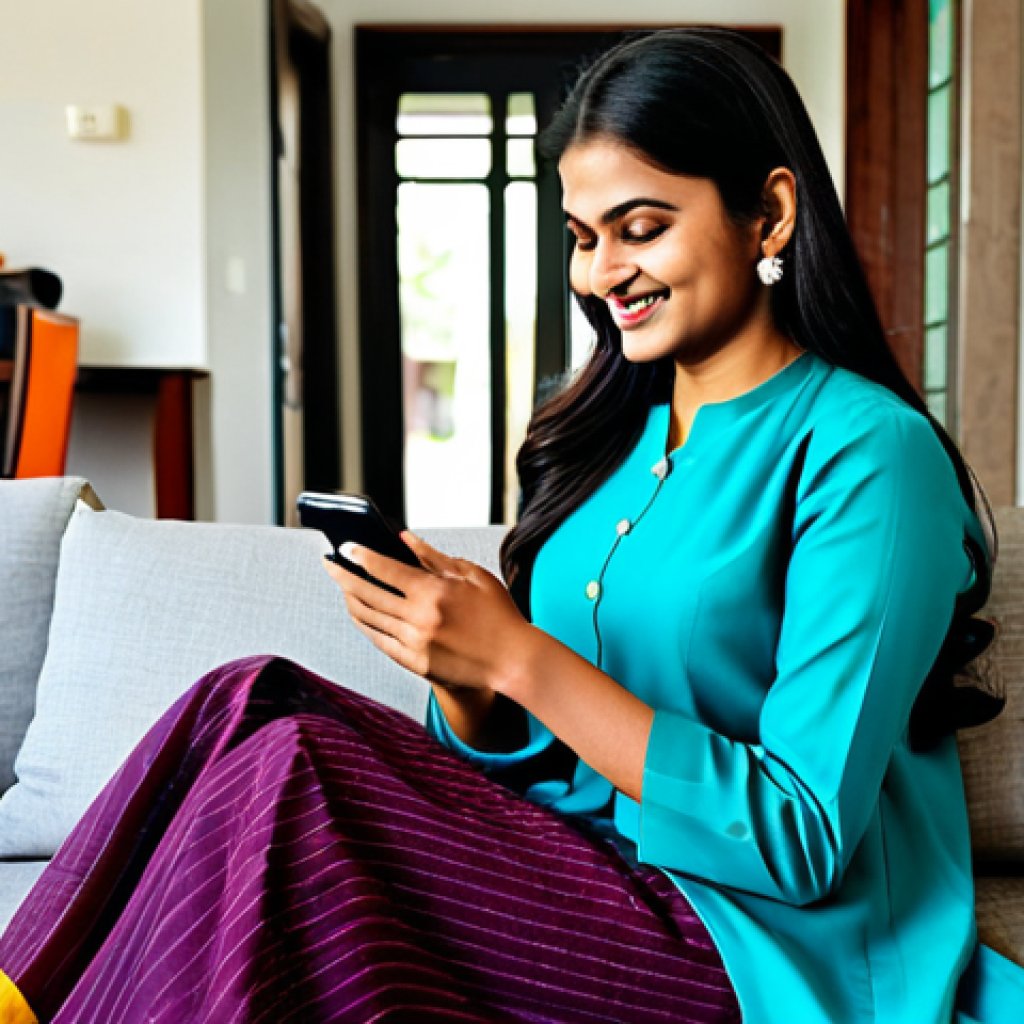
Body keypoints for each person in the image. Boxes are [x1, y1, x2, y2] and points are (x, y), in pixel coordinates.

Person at [1, 25, 1023, 1024]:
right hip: (580, 880)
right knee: (252, 697)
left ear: (768, 212)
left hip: (761, 954)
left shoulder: (867, 453)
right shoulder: (606, 441)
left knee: (294, 770)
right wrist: (471, 683)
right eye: (583, 238)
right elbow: (547, 757)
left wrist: (522, 657)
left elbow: (798, 838)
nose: (600, 273)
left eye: (641, 226)